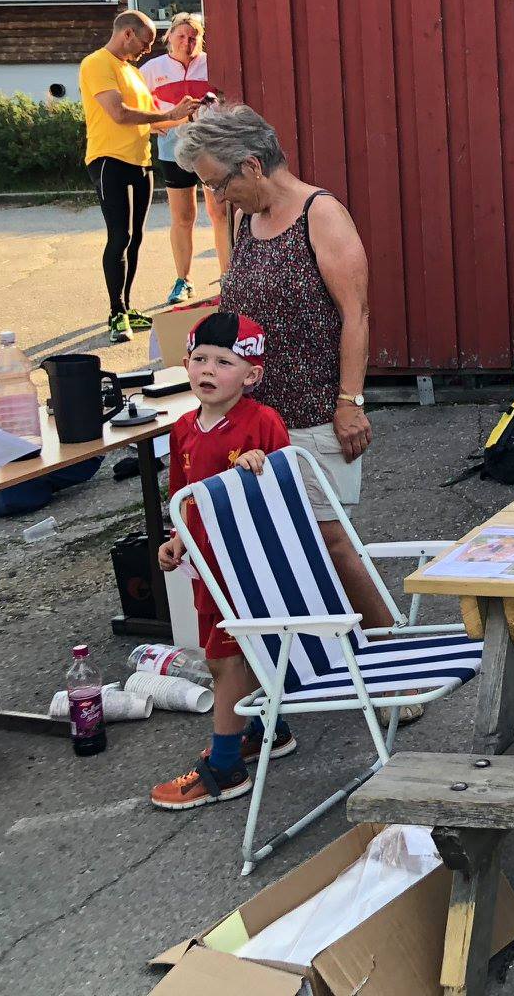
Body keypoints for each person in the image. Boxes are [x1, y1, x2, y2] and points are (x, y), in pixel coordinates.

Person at [174, 105, 398, 649]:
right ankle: (312, 657)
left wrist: (349, 401)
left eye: (218, 183)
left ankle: (391, 648)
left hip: (313, 411)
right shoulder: (244, 220)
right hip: (252, 419)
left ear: (252, 166)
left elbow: (356, 314)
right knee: (273, 544)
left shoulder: (321, 214)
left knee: (329, 539)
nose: (217, 198)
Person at [149, 311, 292, 810]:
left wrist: (263, 468)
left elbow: (288, 494)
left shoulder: (262, 422)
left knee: (223, 658)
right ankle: (265, 728)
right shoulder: (183, 428)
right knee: (237, 651)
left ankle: (226, 767)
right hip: (205, 565)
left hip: (247, 566)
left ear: (252, 375)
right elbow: (182, 496)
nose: (207, 369)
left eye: (223, 362)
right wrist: (177, 538)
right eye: (199, 359)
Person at [80, 9, 199, 341]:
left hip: (140, 162)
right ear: (127, 34)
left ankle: (128, 306)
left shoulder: (132, 72)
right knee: (119, 236)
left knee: (135, 238)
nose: (148, 49)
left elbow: (157, 121)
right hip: (109, 160)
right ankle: (116, 313)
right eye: (146, 42)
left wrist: (186, 114)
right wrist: (169, 113)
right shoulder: (97, 63)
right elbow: (118, 113)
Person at [139, 12, 231, 304]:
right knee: (183, 216)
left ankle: (228, 278)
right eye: (181, 36)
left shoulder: (212, 65)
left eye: (193, 38)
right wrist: (152, 125)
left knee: (219, 213)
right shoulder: (152, 69)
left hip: (211, 148)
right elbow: (135, 106)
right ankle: (183, 280)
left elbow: (229, 98)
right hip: (173, 149)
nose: (187, 43)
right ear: (169, 37)